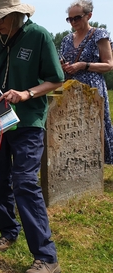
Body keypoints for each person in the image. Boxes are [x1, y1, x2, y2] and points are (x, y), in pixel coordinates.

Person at [0, 0, 64, 273]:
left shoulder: (39, 36)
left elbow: (55, 79)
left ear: (16, 15)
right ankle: (8, 231)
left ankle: (47, 258)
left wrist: (25, 94)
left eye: (0, 19)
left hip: (28, 123)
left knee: (24, 182)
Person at [60, 0, 113, 164]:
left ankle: (100, 160)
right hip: (70, 87)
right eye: (70, 19)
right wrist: (63, 66)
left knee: (96, 124)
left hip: (92, 87)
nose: (74, 22)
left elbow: (109, 64)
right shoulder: (66, 39)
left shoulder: (99, 35)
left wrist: (84, 65)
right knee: (72, 126)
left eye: (77, 18)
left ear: (89, 15)